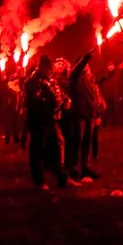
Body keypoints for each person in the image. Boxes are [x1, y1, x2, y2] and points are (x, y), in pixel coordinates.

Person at [23, 55, 74, 189]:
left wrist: (65, 100)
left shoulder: (50, 79)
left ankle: (62, 178)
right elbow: (35, 101)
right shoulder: (32, 81)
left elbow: (59, 93)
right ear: (43, 67)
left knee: (57, 148)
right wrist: (53, 103)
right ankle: (39, 181)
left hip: (52, 120)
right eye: (49, 69)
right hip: (39, 121)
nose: (52, 71)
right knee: (38, 150)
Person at [66, 49, 105, 181]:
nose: (87, 67)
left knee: (87, 144)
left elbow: (94, 96)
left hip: (90, 115)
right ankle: (75, 170)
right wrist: (86, 57)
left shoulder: (89, 79)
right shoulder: (74, 76)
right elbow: (78, 69)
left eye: (88, 65)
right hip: (79, 115)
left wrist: (96, 114)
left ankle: (86, 169)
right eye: (85, 64)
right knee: (77, 143)